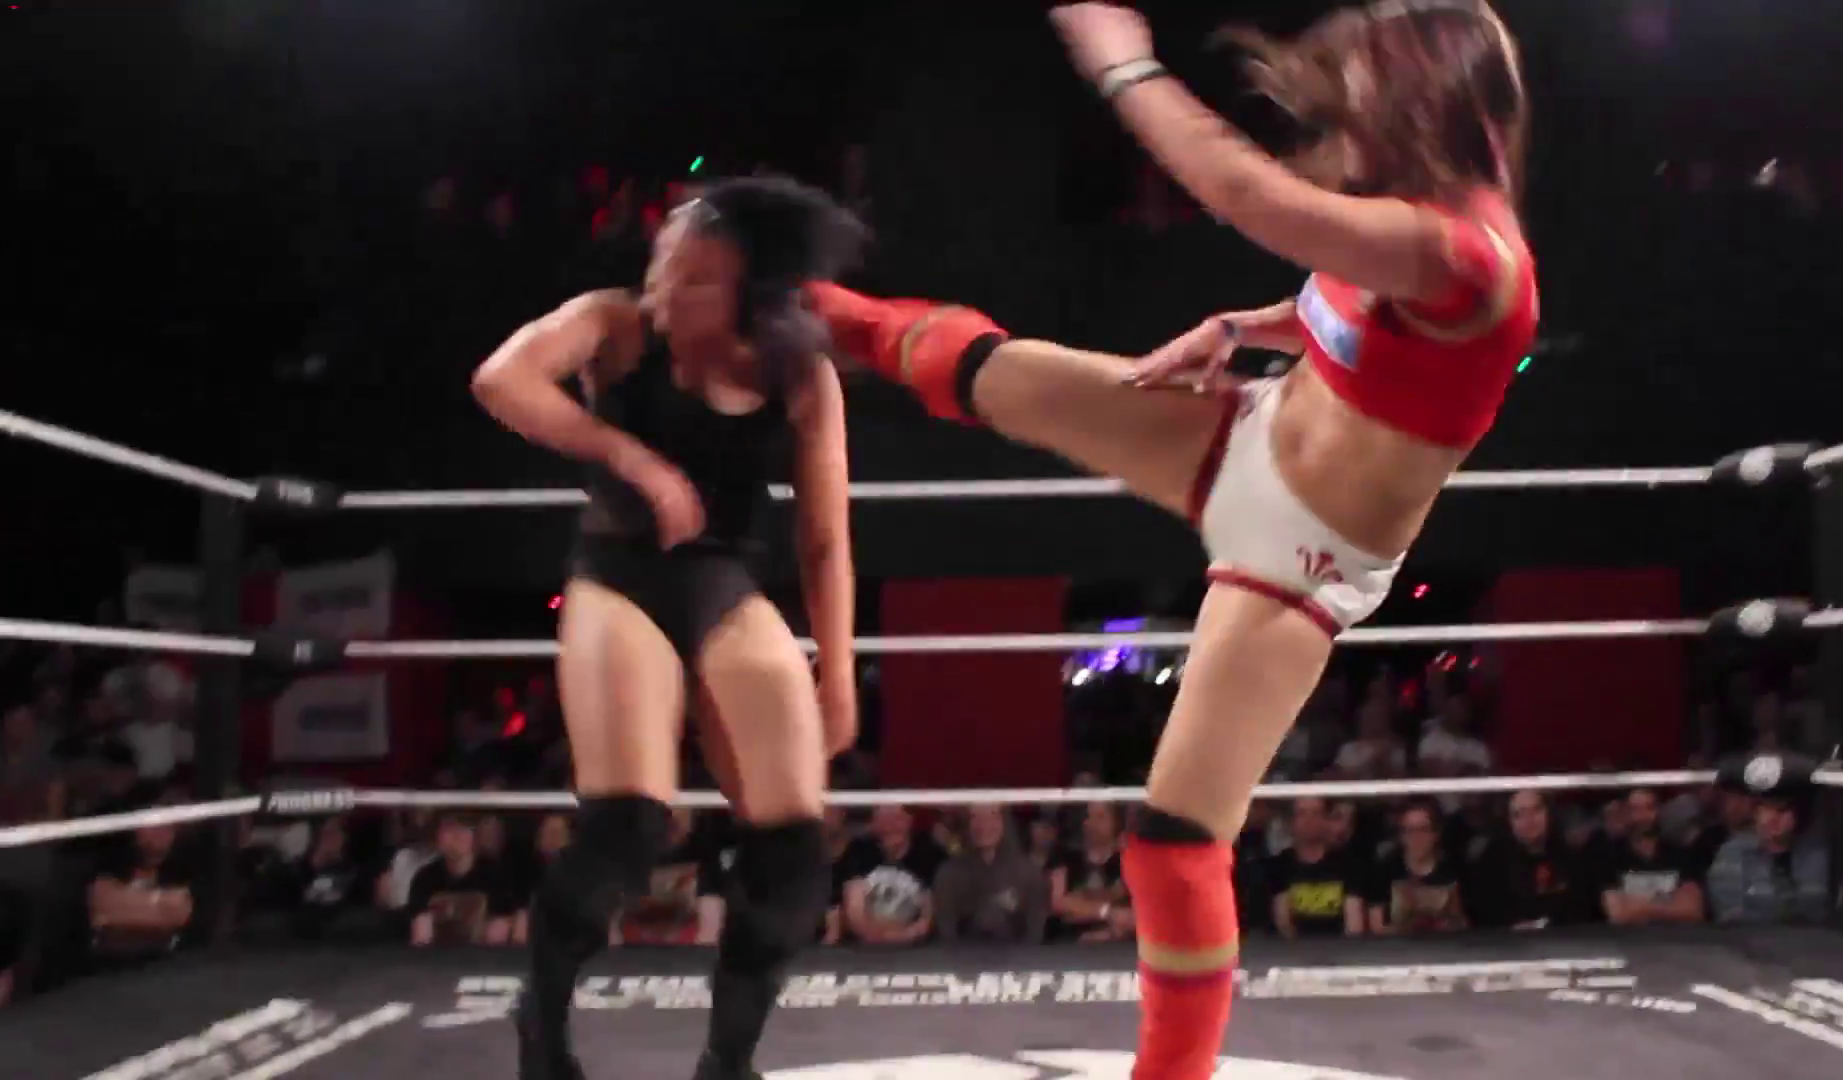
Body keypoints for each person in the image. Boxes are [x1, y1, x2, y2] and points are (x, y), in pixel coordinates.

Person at [805, 4, 1531, 1079]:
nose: (1347, 112)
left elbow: (1251, 199)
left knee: (1175, 842)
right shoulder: (1408, 220)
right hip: (1244, 435)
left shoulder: (1468, 254)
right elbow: (1346, 302)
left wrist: (1122, 64)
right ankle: (786, 300)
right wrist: (1243, 328)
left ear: (1429, 102)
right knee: (999, 376)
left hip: (1304, 559)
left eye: (1368, 92)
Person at [472, 175, 866, 1080]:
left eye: (693, 279)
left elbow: (823, 538)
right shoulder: (613, 324)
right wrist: (629, 456)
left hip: (722, 582)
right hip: (619, 575)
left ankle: (728, 1062)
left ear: (749, 293)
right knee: (628, 826)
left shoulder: (799, 372)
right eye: (662, 264)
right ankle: (543, 1029)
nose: (663, 289)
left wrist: (839, 670)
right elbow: (501, 379)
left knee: (792, 843)